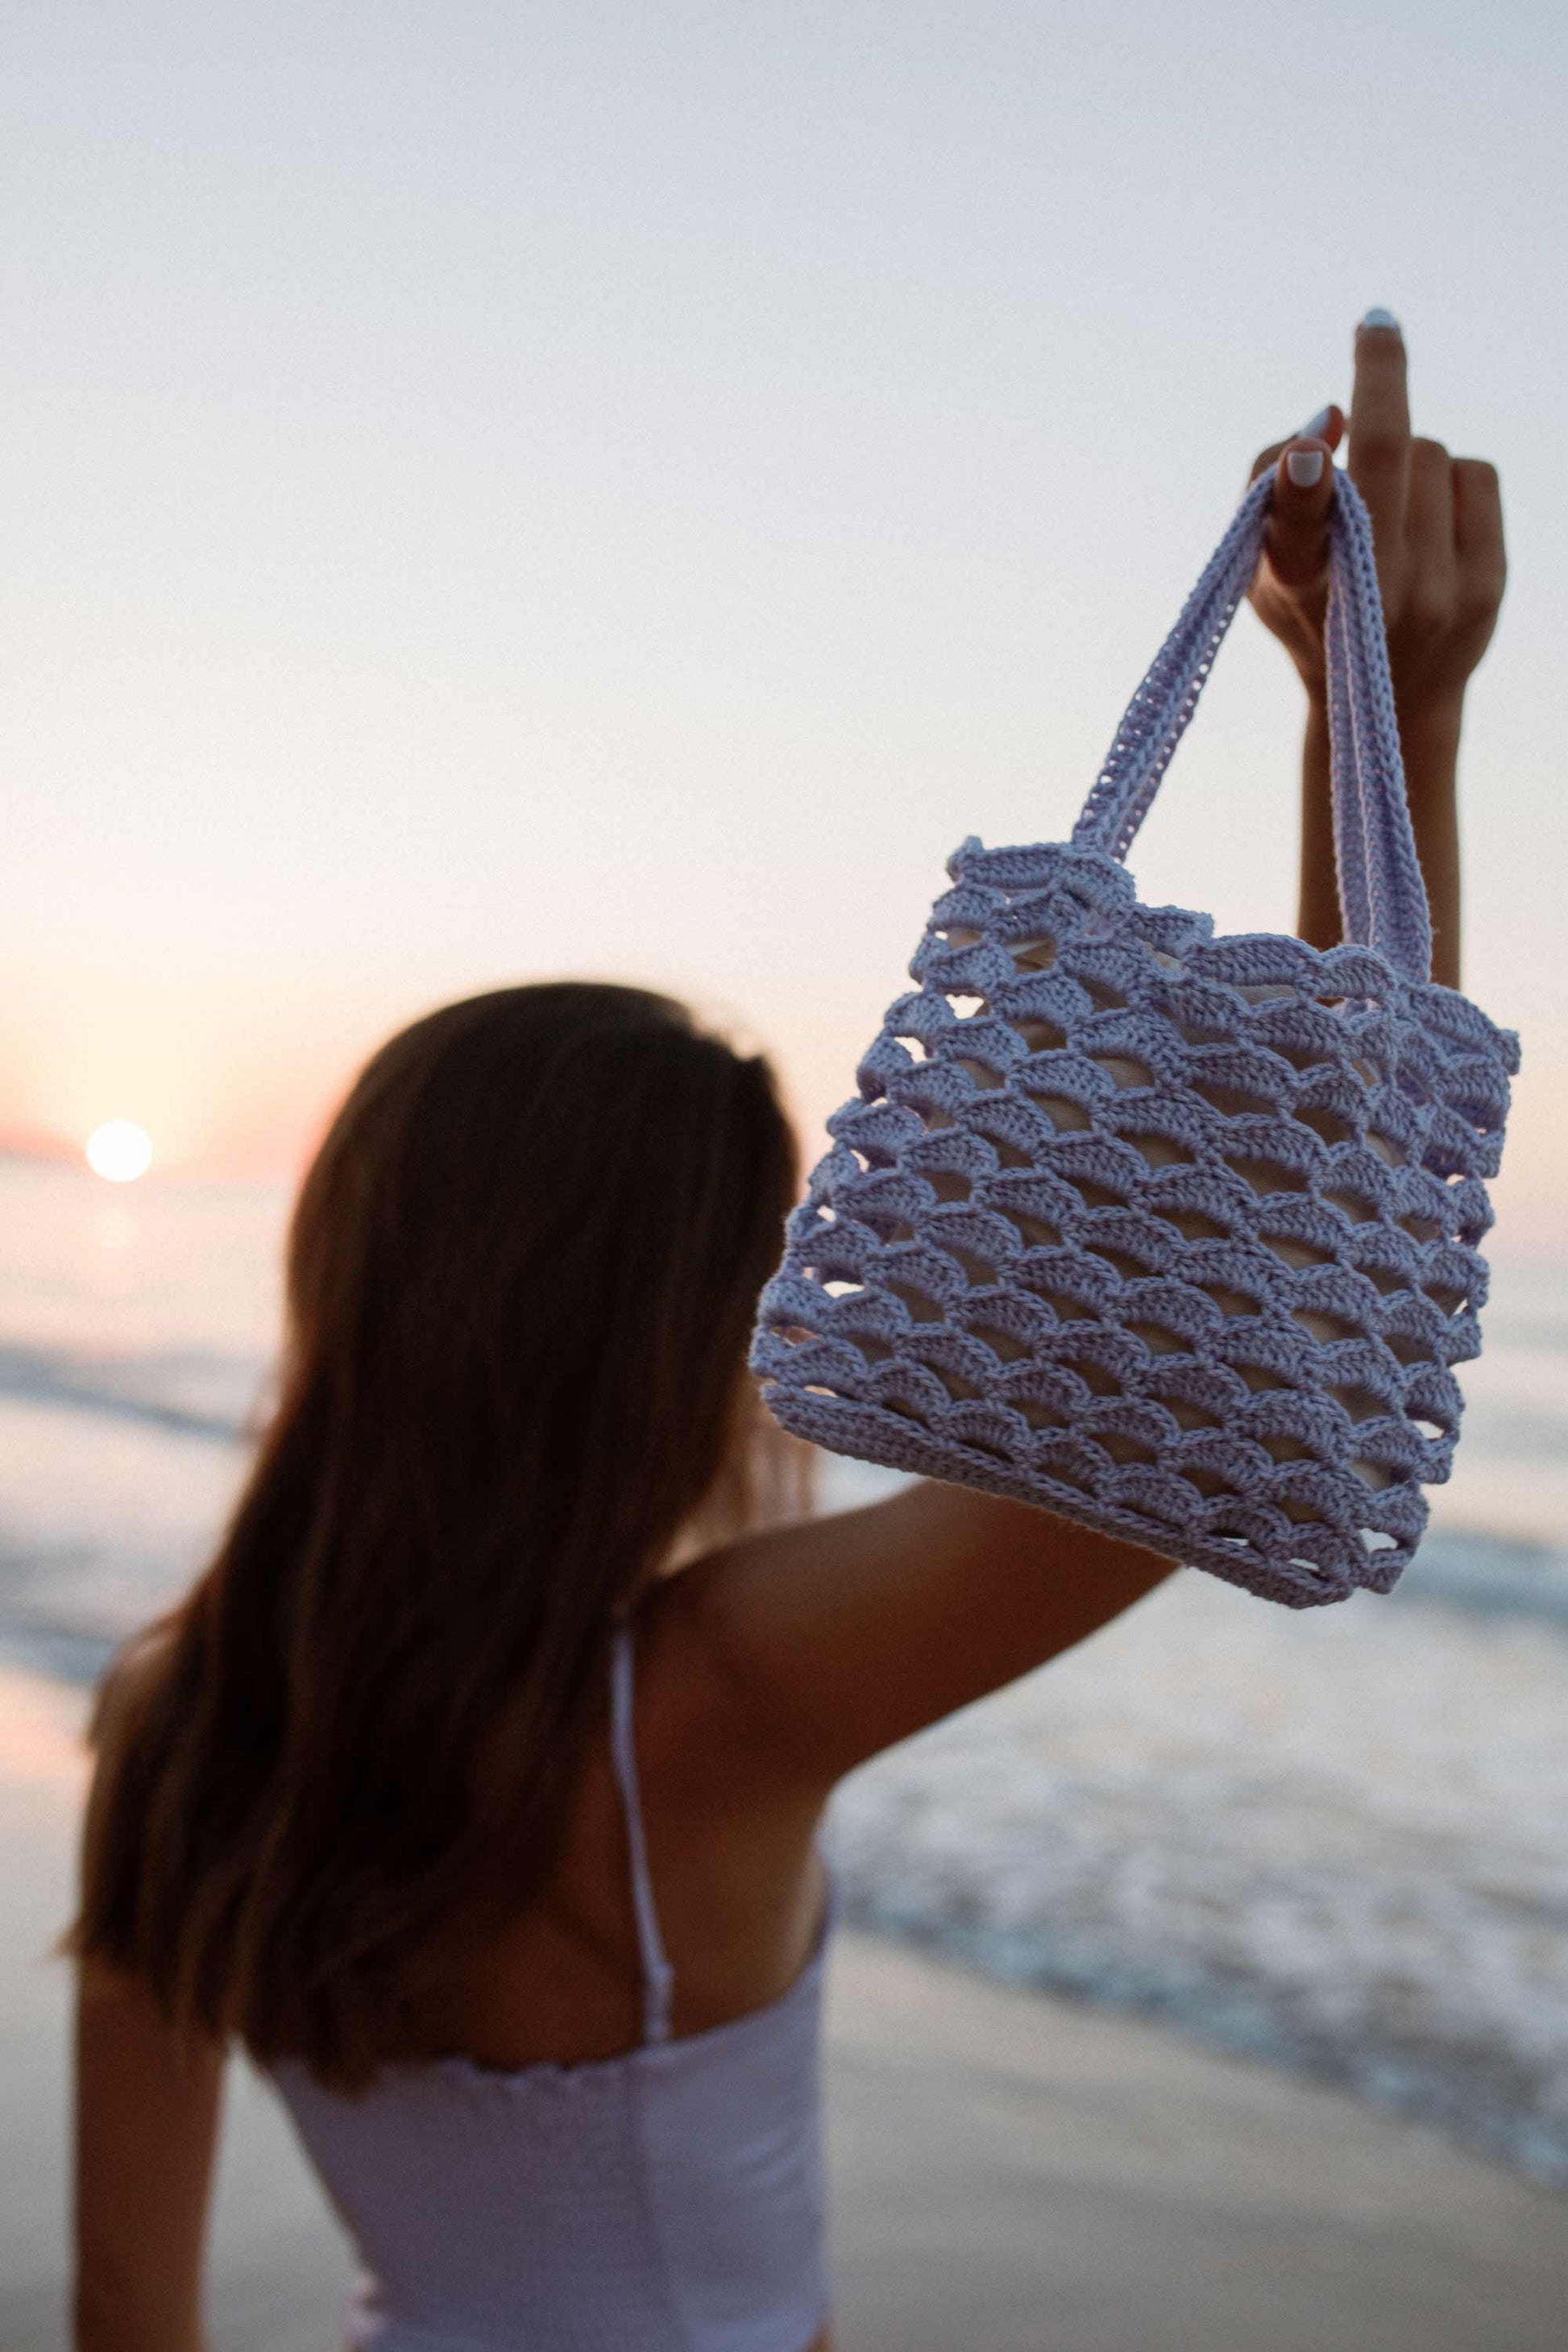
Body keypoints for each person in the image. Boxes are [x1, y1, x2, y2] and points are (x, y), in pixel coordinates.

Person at [68, 314, 1504, 2352]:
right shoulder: (712, 1698)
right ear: (672, 1331)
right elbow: (1224, 1370)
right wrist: (1392, 720)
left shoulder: (177, 1724)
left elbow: (129, 2309)